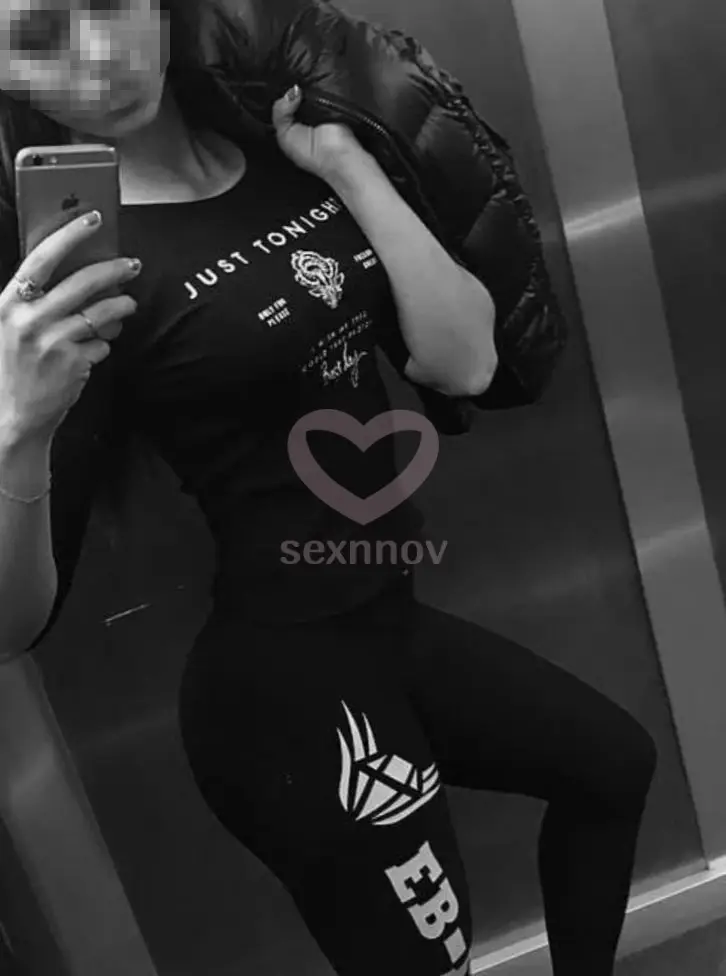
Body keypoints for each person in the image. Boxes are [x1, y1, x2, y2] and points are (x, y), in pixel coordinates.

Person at [0, 2, 657, 974]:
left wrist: (348, 168)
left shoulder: (280, 152)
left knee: (613, 768)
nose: (98, 56)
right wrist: (19, 427)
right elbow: (11, 625)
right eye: (38, 36)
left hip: (388, 627)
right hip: (288, 693)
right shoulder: (75, 279)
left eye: (109, 3)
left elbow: (464, 363)